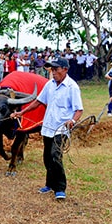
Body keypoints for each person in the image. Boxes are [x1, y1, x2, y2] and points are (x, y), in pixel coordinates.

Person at [10, 57, 83, 200]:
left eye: (56, 69)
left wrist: (73, 120)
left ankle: (60, 188)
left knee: (56, 156)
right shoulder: (50, 85)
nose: (53, 72)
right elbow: (38, 102)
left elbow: (79, 109)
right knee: (47, 157)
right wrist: (21, 112)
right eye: (52, 69)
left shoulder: (72, 87)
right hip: (48, 126)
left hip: (61, 128)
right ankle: (49, 184)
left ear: (65, 70)